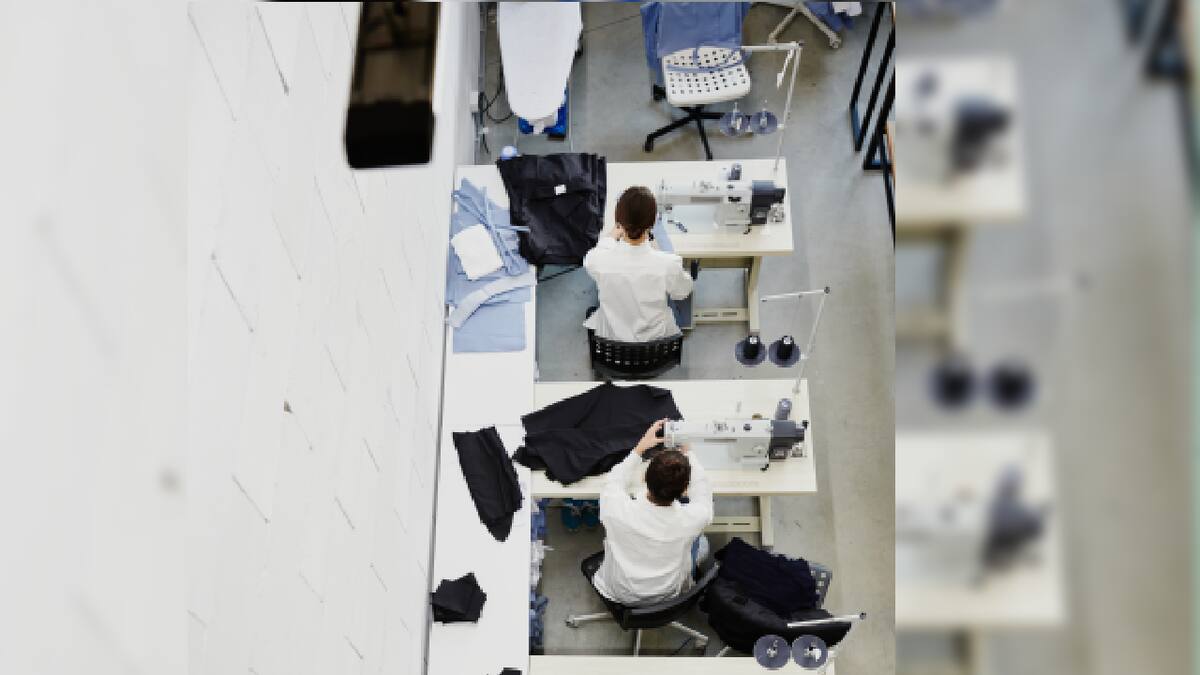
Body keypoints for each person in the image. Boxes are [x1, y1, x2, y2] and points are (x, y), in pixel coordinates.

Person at [592, 419, 714, 606]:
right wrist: (689, 453)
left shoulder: (616, 508)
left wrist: (639, 449)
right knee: (702, 544)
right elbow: (703, 491)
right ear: (685, 490)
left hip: (620, 592)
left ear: (644, 478)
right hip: (667, 597)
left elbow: (614, 480)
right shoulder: (693, 519)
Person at [583, 186, 694, 342]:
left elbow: (593, 258)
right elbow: (682, 292)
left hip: (612, 345)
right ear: (652, 222)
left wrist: (611, 236)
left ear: (619, 222)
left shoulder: (598, 259)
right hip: (656, 347)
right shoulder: (669, 264)